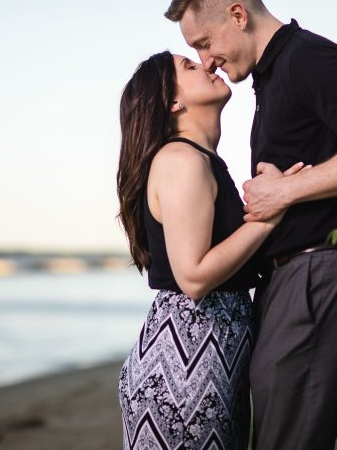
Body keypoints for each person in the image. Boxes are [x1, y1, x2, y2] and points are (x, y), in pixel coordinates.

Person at [165, 0, 337, 449]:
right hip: (301, 280)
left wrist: (285, 192)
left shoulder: (308, 59)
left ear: (238, 14)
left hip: (319, 274)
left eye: (203, 43)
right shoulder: (273, 76)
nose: (205, 59)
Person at [116, 51, 307, 449]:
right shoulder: (181, 159)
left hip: (211, 356)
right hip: (185, 364)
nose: (206, 65)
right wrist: (271, 214)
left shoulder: (200, 160)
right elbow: (194, 276)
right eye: (189, 67)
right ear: (173, 102)